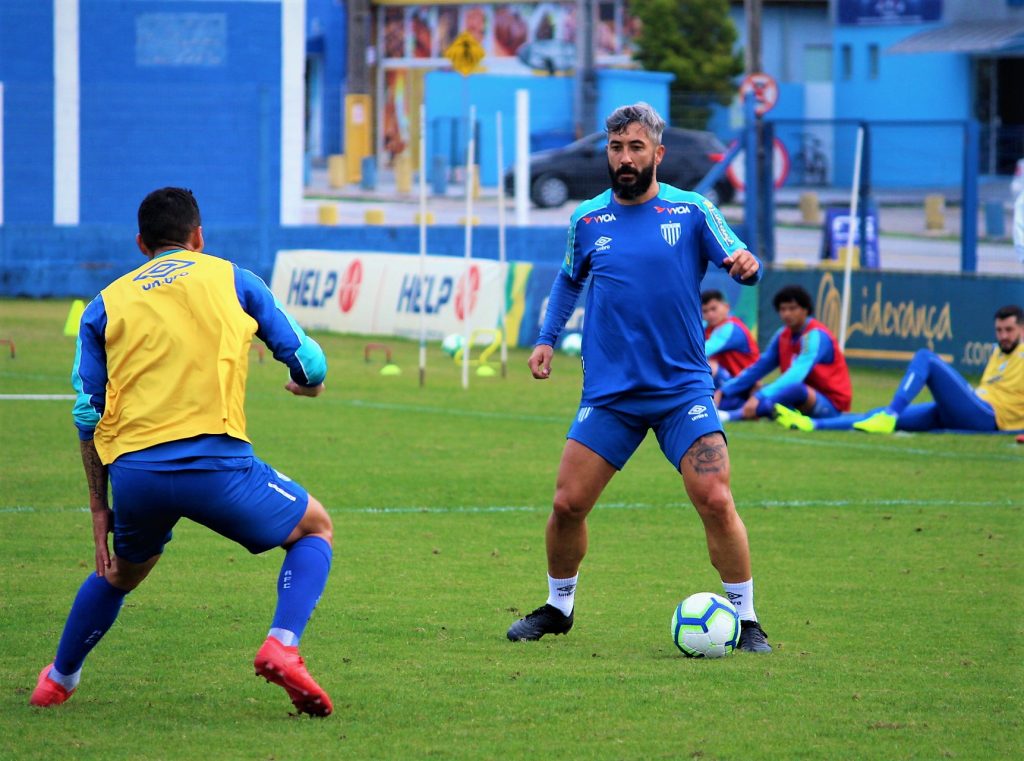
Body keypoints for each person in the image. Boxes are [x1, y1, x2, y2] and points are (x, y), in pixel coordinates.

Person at [30, 188, 335, 716]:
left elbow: (87, 412)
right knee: (313, 528)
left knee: (119, 574)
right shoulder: (233, 278)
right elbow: (309, 363)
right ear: (198, 236)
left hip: (136, 473)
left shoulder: (106, 302)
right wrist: (307, 385)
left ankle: (58, 680)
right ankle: (282, 645)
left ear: (141, 243)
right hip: (219, 465)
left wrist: (99, 505)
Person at [506, 102, 771, 653]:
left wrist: (748, 263)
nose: (624, 158)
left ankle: (746, 620)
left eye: (635, 148)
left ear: (657, 153)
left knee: (716, 498)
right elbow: (567, 282)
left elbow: (739, 254)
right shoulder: (587, 219)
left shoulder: (693, 210)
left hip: (681, 391)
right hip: (611, 394)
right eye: (616, 147)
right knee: (566, 504)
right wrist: (545, 341)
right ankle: (559, 607)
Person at [776, 304, 1024, 434]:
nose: (1003, 336)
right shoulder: (998, 351)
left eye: (1009, 330)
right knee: (876, 414)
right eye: (999, 330)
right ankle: (811, 425)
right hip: (971, 408)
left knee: (926, 358)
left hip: (989, 417)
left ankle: (891, 414)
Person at [715, 284, 852, 423]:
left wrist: (760, 396)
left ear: (805, 309)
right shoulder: (783, 335)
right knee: (755, 389)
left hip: (830, 405)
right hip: (796, 398)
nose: (786, 314)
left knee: (792, 389)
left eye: (792, 308)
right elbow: (759, 367)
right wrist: (725, 390)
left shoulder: (816, 335)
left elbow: (796, 375)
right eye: (782, 309)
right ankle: (719, 409)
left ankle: (732, 416)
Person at [701, 289, 760, 410]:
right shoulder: (708, 327)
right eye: (705, 311)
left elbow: (703, 351)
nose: (710, 314)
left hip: (745, 385)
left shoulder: (731, 328)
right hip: (728, 383)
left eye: (713, 309)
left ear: (726, 307)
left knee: (709, 365)